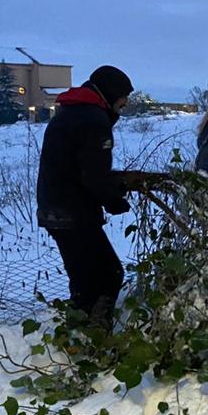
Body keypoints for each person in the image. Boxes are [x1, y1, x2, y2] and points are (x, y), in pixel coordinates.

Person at [36, 65, 134, 329]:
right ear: (110, 94)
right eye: (122, 100)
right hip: (75, 213)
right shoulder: (94, 121)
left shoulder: (68, 113)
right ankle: (95, 338)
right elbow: (93, 176)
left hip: (53, 208)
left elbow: (76, 165)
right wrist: (114, 201)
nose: (123, 106)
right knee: (109, 275)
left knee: (83, 280)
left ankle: (77, 336)